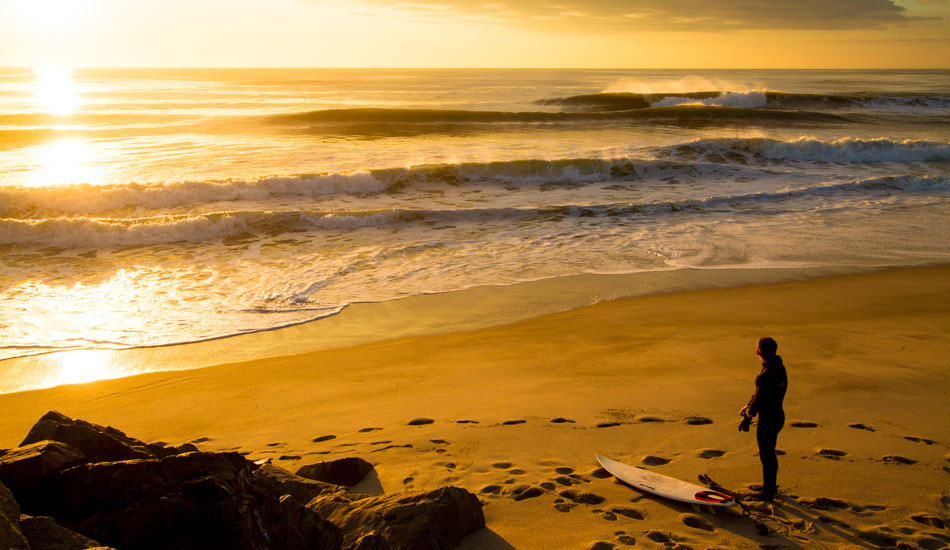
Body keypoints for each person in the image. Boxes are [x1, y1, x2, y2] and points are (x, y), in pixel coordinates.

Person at [738, 336, 787, 502]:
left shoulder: (765, 374)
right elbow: (759, 394)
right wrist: (747, 406)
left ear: (759, 352)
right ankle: (770, 486)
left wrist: (747, 418)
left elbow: (759, 398)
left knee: (766, 454)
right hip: (778, 415)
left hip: (768, 418)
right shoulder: (779, 368)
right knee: (769, 452)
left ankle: (768, 492)